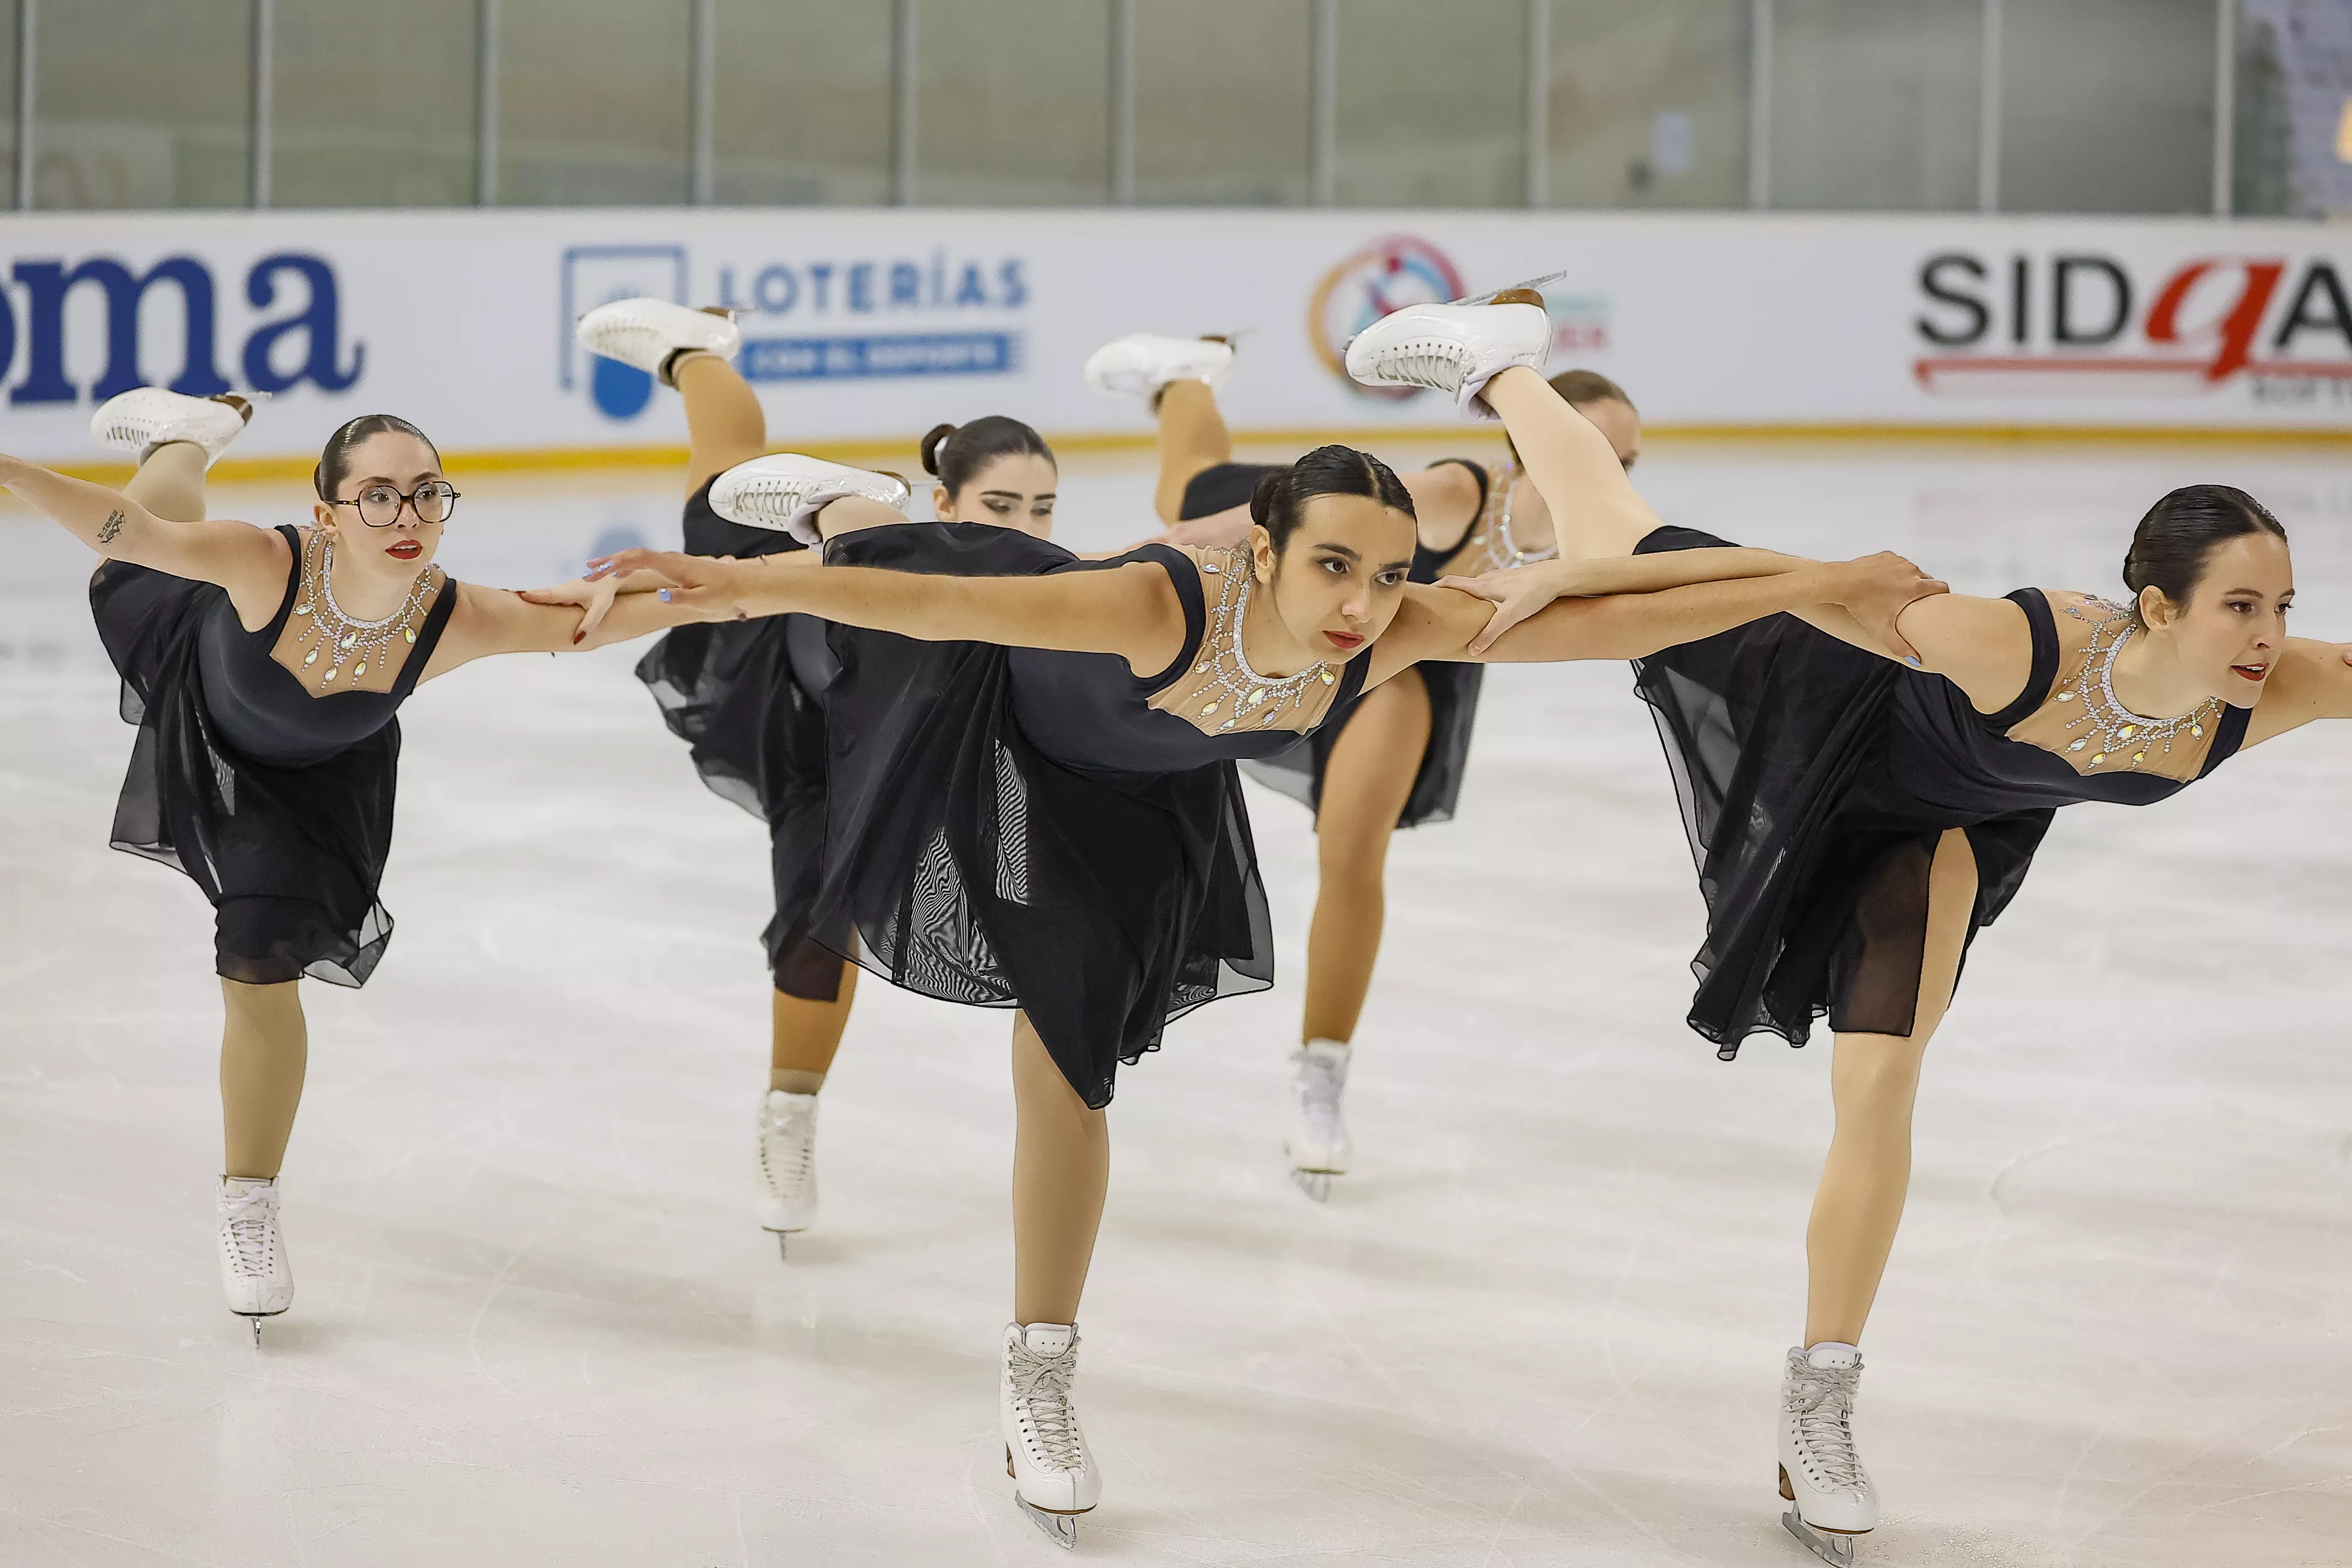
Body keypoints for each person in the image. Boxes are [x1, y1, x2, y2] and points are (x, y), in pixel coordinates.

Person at [569, 298, 1942, 1545]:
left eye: (1386, 577)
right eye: (1331, 567)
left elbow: (1619, 620)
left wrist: (1810, 584)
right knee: (902, 596)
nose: (1357, 607)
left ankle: (1034, 1365)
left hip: (1147, 809)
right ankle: (1039, 1368)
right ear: (1264, 549)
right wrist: (748, 581)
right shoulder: (1155, 597)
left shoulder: (1394, 626)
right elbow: (946, 603)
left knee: (1075, 1063)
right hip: (1002, 717)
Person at [1361, 296, 2352, 1563]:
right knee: (1611, 522)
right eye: (2238, 608)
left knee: (1878, 1082)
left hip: (1932, 830)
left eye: (2280, 604)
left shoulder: (2271, 694)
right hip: (1819, 697)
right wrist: (1590, 571)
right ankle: (1500, 364)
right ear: (2156, 608)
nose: (2268, 636)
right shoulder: (2018, 645)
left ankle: (1816, 1404)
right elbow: (1817, 589)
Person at [2, 389, 697, 1342]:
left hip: (315, 784)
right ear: (327, 511)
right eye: (376, 496)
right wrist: (10, 469)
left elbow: (588, 628)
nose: (404, 518)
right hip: (190, 656)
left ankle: (248, 1198)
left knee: (260, 959)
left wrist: (738, 588)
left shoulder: (457, 619)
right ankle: (186, 438)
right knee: (120, 567)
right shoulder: (263, 559)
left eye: (424, 494)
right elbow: (133, 525)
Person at [1084, 332, 1643, 1197]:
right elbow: (1296, 525)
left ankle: (1321, 1073)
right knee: (1187, 484)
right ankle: (1186, 376)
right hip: (1276, 579)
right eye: (1600, 451)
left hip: (1395, 667)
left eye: (1628, 460)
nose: (1614, 474)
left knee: (1352, 854)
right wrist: (1139, 562)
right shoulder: (1461, 494)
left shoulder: (1604, 538)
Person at [574, 298, 1058, 1258]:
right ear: (949, 505)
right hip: (800, 709)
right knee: (817, 921)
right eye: (1000, 507)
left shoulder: (1039, 587)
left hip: (891, 730)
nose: (1025, 525)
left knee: (726, 463)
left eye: (1041, 508)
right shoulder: (915, 556)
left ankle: (690, 351)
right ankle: (790, 1109)